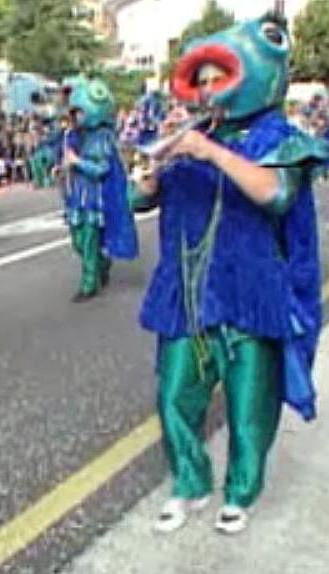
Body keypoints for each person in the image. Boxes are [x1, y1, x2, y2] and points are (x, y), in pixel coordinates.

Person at [133, 14, 329, 534]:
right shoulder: (186, 136)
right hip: (188, 295)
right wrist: (152, 179)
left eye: (217, 80)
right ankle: (190, 484)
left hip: (252, 294)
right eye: (201, 83)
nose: (208, 93)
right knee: (174, 395)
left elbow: (277, 194)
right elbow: (138, 200)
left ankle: (241, 491)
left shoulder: (283, 138)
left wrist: (210, 152)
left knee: (249, 409)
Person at [62, 76, 138, 302]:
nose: (76, 116)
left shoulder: (103, 138)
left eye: (80, 112)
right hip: (78, 195)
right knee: (78, 241)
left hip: (94, 198)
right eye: (74, 112)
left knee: (87, 240)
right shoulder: (78, 136)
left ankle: (89, 284)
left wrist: (77, 162)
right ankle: (100, 264)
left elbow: (101, 169)